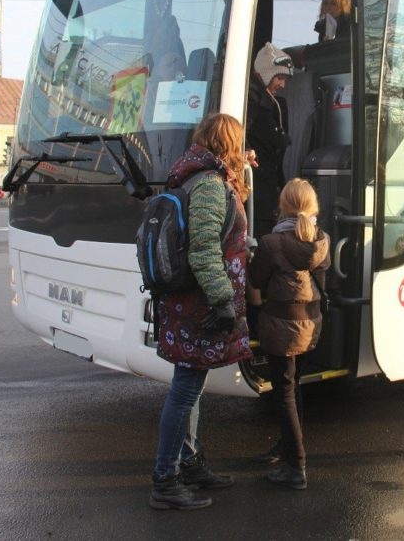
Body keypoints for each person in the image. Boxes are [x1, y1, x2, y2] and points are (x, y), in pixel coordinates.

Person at [149, 113, 253, 511]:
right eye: (239, 144)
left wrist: (243, 170)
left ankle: (189, 464)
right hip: (201, 306)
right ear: (227, 143)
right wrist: (223, 299)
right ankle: (165, 479)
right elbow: (204, 248)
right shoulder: (210, 186)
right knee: (185, 390)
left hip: (188, 303)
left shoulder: (201, 177)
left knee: (190, 386)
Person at [248, 178, 330, 490]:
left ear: (283, 206)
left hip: (280, 324)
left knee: (283, 391)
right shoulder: (322, 241)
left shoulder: (271, 243)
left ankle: (296, 465)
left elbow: (256, 281)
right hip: (310, 323)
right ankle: (286, 446)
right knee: (293, 385)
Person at [246, 42, 294, 237]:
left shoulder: (270, 102)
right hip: (257, 194)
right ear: (265, 73)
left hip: (266, 194)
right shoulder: (250, 101)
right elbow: (239, 135)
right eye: (280, 77)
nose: (282, 85)